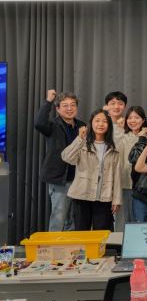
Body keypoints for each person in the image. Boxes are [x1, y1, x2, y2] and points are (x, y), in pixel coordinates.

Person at [61, 109, 122, 231]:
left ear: (109, 125)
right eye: (97, 121)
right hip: (82, 194)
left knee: (103, 232)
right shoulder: (82, 143)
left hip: (104, 196)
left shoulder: (113, 148)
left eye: (104, 121)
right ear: (91, 124)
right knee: (81, 231)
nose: (100, 124)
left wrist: (116, 199)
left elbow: (117, 175)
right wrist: (79, 138)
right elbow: (67, 157)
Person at [34, 89, 84, 231]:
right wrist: (48, 101)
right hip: (60, 179)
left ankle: (70, 245)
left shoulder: (82, 126)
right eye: (65, 105)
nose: (69, 108)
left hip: (78, 179)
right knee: (59, 217)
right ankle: (53, 245)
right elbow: (39, 123)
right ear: (58, 109)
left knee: (73, 219)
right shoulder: (52, 125)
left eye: (73, 105)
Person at [113, 106, 147, 231]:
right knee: (122, 222)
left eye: (136, 117)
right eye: (130, 118)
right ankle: (120, 244)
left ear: (143, 120)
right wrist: (118, 129)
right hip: (124, 184)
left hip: (142, 186)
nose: (133, 121)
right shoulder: (122, 136)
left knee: (139, 222)